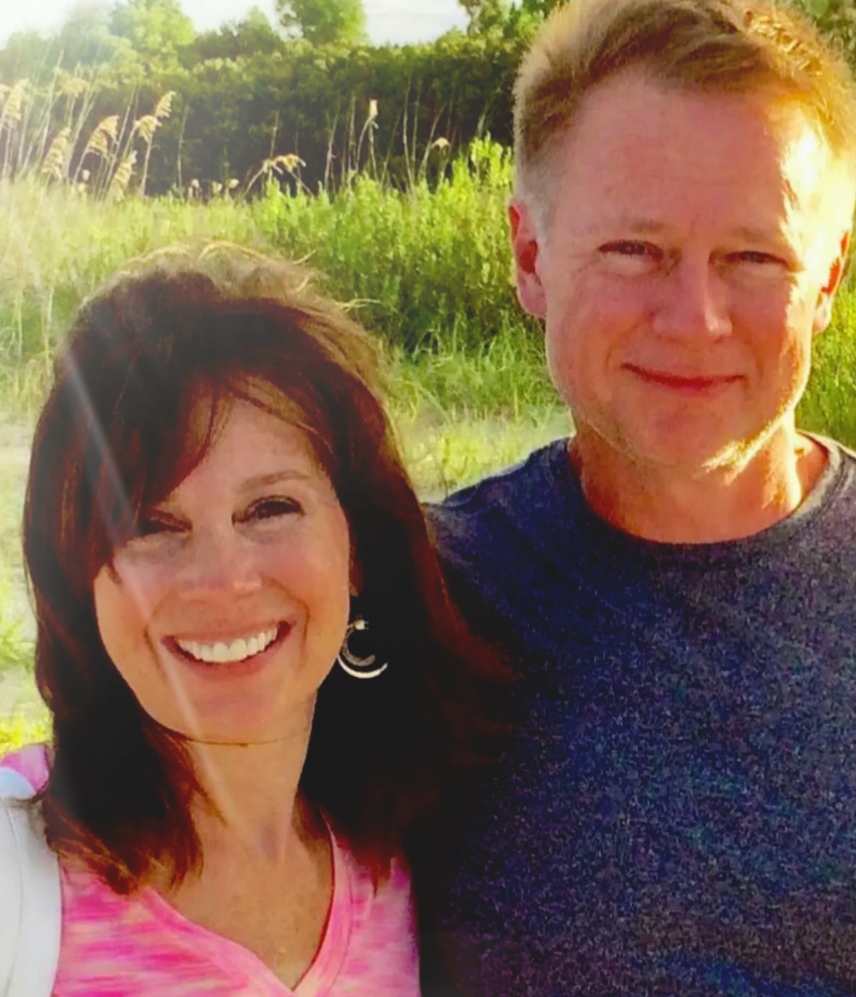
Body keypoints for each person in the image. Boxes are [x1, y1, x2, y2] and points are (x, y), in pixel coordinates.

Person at [423, 0, 856, 994]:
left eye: (754, 258)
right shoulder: (418, 600)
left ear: (829, 276)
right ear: (530, 257)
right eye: (634, 250)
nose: (695, 320)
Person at [0, 243, 492, 996]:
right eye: (152, 524)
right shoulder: (17, 881)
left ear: (358, 548)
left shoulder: (404, 872)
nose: (224, 579)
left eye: (270, 508)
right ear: (80, 579)